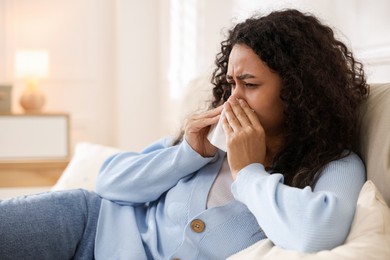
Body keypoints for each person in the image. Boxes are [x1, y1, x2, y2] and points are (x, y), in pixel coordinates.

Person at [0, 9, 369, 260]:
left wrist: (247, 173)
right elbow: (109, 183)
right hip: (87, 224)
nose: (233, 98)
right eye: (231, 83)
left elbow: (317, 234)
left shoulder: (334, 164)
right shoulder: (212, 140)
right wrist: (187, 154)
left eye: (250, 84)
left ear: (298, 90)